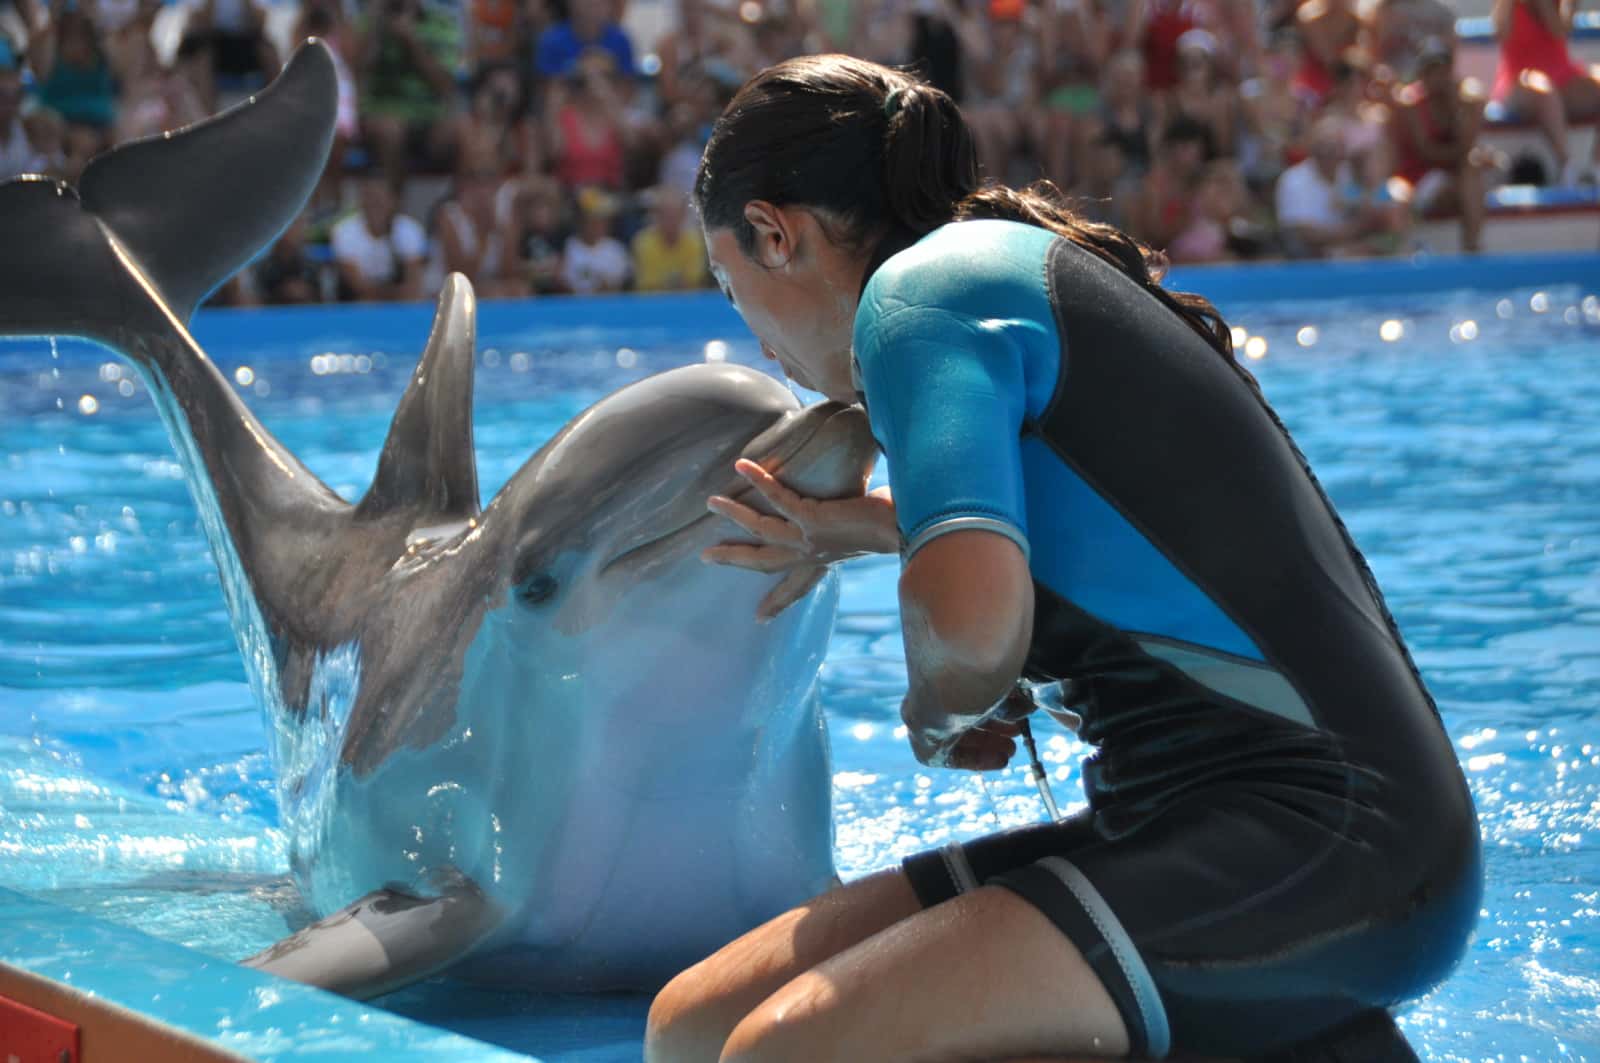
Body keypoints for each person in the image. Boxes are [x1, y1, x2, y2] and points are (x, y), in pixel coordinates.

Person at [643, 54, 1481, 1062]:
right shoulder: (978, 267)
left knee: (781, 1054)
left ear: (775, 233)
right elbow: (1074, 524)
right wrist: (848, 527)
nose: (757, 342)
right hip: (1197, 824)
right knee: (689, 1025)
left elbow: (968, 639)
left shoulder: (914, 302)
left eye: (733, 289)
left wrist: (941, 709)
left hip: (1322, 839)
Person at [1389, 40, 1488, 252]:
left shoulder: (1462, 99)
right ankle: (1471, 245)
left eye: (1443, 70)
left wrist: (1457, 109)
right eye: (1432, 70)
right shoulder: (1411, 103)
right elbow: (1427, 152)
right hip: (1417, 180)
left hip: (1449, 175)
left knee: (1471, 171)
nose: (1438, 77)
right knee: (1470, 172)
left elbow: (1466, 142)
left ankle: (1472, 245)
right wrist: (1465, 154)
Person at [1491, 0, 1600, 184]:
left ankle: (1596, 167)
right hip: (1519, 80)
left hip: (1562, 75)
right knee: (1546, 92)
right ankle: (1567, 167)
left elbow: (1559, 29)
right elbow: (1502, 33)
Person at [1275, 115, 1402, 256]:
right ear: (1311, 146)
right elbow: (1301, 234)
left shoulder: (1355, 174)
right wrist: (1358, 229)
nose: (1328, 151)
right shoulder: (1293, 180)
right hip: (1311, 259)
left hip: (1359, 253)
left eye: (1334, 145)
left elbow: (1389, 214)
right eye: (1322, 145)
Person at [331, 176, 428, 303]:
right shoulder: (343, 231)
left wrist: (399, 294)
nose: (375, 205)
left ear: (393, 201)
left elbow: (414, 283)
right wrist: (394, 292)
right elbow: (358, 286)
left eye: (380, 200)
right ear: (361, 201)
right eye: (370, 199)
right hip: (357, 304)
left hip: (400, 302)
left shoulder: (410, 230)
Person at [632, 187, 709, 292]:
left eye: (674, 215)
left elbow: (693, 282)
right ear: (657, 216)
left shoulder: (694, 241)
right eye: (666, 215)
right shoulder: (643, 243)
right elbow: (649, 286)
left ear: (683, 215)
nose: (671, 220)